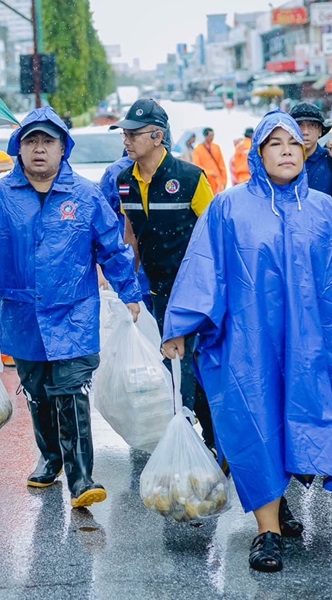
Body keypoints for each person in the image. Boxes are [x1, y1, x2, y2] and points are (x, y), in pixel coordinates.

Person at [161, 111, 332, 572]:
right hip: (249, 346)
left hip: (314, 346)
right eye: (275, 144)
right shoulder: (229, 208)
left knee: (300, 422)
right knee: (256, 426)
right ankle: (266, 532)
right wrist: (180, 327)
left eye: (293, 143)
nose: (287, 151)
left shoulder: (322, 208)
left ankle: (281, 504)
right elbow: (202, 267)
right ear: (258, 154)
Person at [0, 107, 140, 508]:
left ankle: (81, 477)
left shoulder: (85, 196)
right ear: (19, 149)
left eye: (47, 142)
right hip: (21, 313)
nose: (39, 150)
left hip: (75, 312)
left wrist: (131, 294)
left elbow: (113, 249)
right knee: (37, 390)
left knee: (70, 390)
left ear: (62, 148)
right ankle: (51, 457)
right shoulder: (0, 197)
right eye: (31, 141)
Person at [112, 98, 216, 448]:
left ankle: (200, 438)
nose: (126, 140)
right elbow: (132, 235)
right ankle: (200, 436)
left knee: (189, 363)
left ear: (157, 136)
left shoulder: (190, 178)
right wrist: (124, 287)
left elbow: (215, 235)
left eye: (133, 134)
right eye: (124, 133)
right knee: (174, 363)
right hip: (157, 291)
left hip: (195, 290)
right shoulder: (125, 180)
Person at [289, 102, 332, 209]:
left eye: (312, 125)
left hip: (327, 224)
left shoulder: (331, 158)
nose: (305, 132)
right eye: (300, 125)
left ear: (320, 131)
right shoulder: (285, 160)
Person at [192, 127, 227, 195]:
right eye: (210, 135)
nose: (212, 137)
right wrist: (210, 172)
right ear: (205, 136)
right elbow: (197, 166)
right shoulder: (198, 149)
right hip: (206, 181)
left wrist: (224, 180)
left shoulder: (216, 147)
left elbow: (221, 165)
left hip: (217, 181)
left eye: (213, 135)